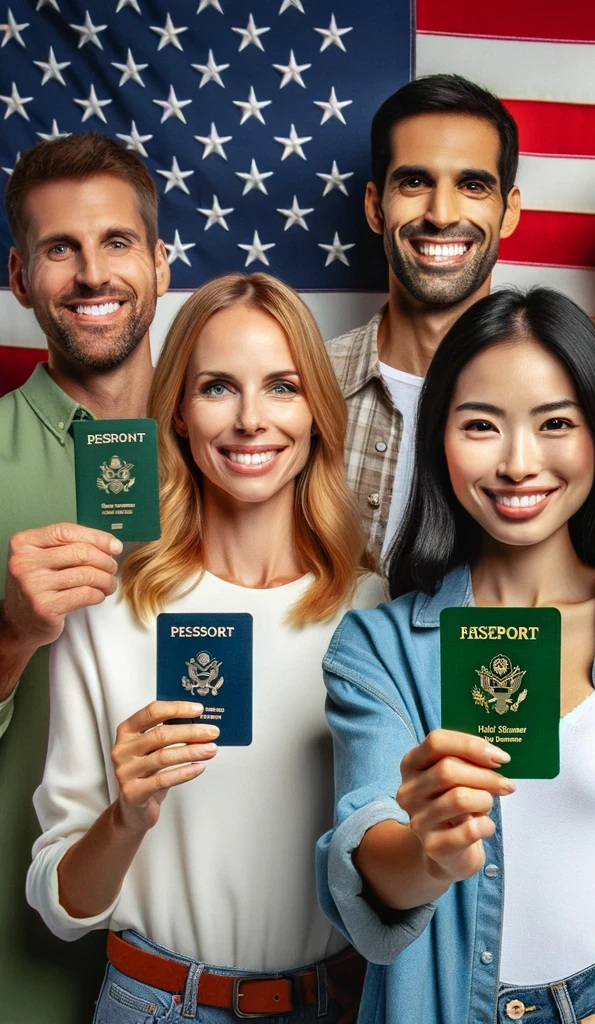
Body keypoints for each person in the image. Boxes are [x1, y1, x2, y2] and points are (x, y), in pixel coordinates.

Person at [316, 287, 595, 1024]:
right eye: (481, 425)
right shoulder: (379, 649)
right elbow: (367, 858)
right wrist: (427, 851)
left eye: (556, 422)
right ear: (439, 440)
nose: (519, 463)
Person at [27, 273, 383, 1023]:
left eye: (282, 387)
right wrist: (126, 814)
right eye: (218, 387)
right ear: (181, 415)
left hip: (338, 1005)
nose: (251, 420)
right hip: (155, 1004)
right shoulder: (109, 613)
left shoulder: (376, 613)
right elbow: (63, 909)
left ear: (317, 412)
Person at [0, 132, 170, 1023]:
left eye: (116, 242)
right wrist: (12, 635)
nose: (93, 273)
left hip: (210, 957)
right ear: (20, 277)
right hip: (24, 966)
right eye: (60, 248)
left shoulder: (246, 447)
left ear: (160, 263)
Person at [325, 73, 521, 565]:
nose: (441, 214)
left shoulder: (561, 399)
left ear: (509, 212)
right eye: (415, 182)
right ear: (375, 207)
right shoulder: (306, 386)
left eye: (472, 185)